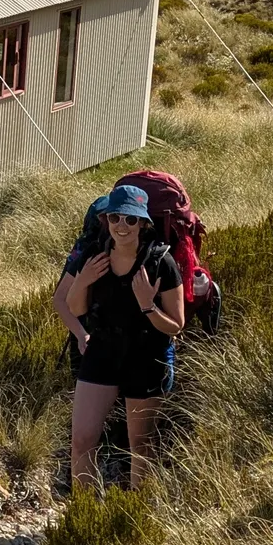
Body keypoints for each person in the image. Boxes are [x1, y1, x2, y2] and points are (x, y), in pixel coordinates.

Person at [53, 181, 186, 488]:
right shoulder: (94, 255)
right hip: (102, 352)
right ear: (106, 220)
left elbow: (176, 325)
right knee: (82, 439)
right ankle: (83, 516)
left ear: (143, 223)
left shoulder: (159, 262)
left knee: (140, 446)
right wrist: (82, 281)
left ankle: (137, 518)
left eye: (130, 219)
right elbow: (74, 306)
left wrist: (147, 306)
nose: (122, 226)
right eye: (115, 218)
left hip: (146, 356)